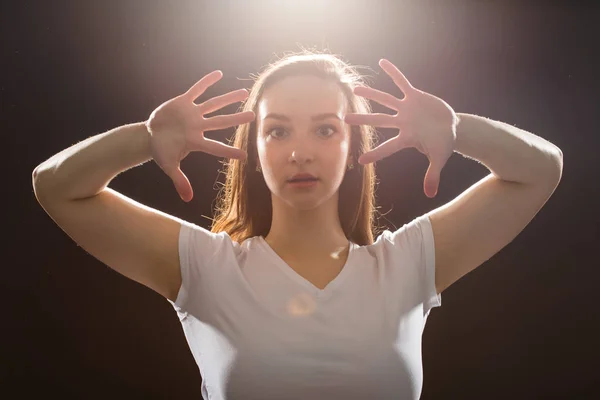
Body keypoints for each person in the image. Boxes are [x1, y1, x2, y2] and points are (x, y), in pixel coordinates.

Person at [32, 50, 563, 400]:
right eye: (278, 131)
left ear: (355, 147)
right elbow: (56, 186)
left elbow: (540, 170)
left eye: (326, 130)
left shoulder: (407, 265)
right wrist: (143, 141)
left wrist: (455, 128)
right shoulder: (206, 268)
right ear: (254, 151)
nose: (300, 152)